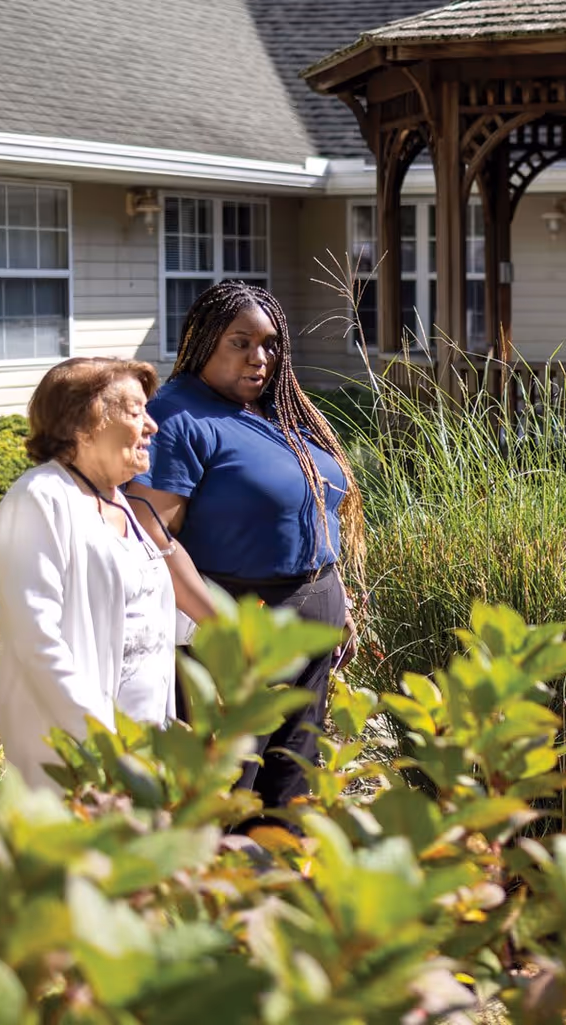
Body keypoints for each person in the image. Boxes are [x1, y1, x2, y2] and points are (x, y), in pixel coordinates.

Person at [130, 280, 365, 812]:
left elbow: (313, 509)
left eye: (271, 344)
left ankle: (278, 890)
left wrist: (338, 599)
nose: (260, 358)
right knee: (227, 792)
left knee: (290, 787)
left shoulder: (275, 411)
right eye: (240, 342)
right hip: (237, 630)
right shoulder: (178, 417)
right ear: (204, 340)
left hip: (310, 622)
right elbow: (153, 537)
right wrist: (222, 630)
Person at [0, 357, 212, 789]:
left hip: (144, 747)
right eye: (135, 412)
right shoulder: (40, 498)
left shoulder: (117, 501)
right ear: (83, 422)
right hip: (79, 755)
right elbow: (36, 640)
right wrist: (106, 742)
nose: (152, 426)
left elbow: (144, 614)